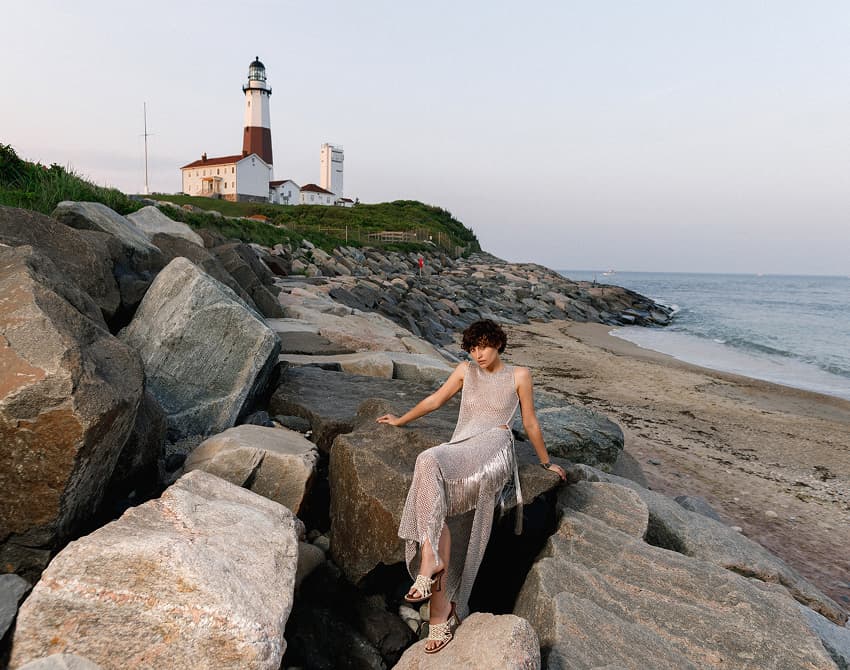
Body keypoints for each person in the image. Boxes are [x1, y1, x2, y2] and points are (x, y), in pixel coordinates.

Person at [376, 319, 566, 653]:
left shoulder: (519, 375)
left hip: (495, 445)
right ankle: (435, 582)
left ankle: (438, 601)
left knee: (436, 485)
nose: (478, 354)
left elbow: (531, 421)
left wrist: (546, 462)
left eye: (484, 346)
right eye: (473, 348)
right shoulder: (465, 371)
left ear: (499, 344)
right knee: (427, 461)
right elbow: (435, 400)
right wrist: (400, 420)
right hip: (462, 445)